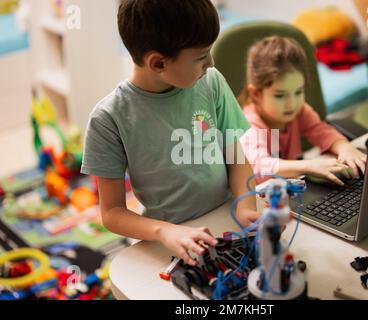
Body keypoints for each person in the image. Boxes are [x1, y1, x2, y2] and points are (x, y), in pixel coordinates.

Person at [81, 0, 258, 266]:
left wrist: (245, 206)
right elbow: (113, 212)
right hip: (169, 239)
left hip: (225, 217)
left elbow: (235, 153)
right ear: (158, 63)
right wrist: (165, 231)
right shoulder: (108, 119)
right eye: (201, 56)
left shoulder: (212, 82)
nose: (211, 62)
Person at [240, 36, 367, 185]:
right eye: (280, 95)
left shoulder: (300, 111)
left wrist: (344, 147)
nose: (292, 103)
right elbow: (259, 167)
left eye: (298, 92)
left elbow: (321, 131)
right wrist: (309, 166)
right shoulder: (248, 124)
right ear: (256, 94)